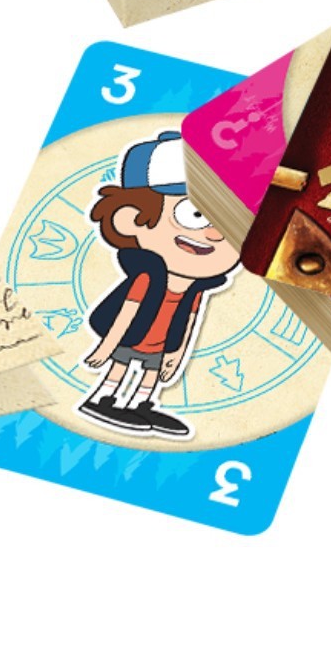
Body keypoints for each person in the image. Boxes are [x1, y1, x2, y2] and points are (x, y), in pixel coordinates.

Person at [77, 130, 240, 439]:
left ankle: (142, 405)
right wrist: (107, 346)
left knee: (150, 375)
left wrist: (176, 355)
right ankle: (102, 399)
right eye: (194, 214)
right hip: (132, 336)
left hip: (162, 343)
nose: (214, 234)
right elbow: (127, 312)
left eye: (228, 224)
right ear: (130, 219)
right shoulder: (147, 277)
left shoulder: (196, 289)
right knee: (119, 366)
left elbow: (189, 320)